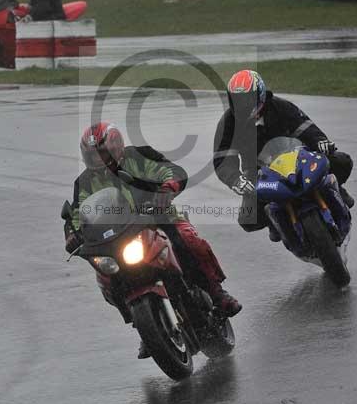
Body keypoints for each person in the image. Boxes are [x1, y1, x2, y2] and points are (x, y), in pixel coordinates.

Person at [64, 122, 242, 357]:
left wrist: (167, 189)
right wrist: (72, 234)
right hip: (117, 236)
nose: (98, 160)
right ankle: (143, 326)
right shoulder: (84, 182)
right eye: (92, 156)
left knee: (189, 241)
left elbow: (170, 171)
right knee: (105, 274)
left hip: (159, 218)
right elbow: (78, 213)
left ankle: (217, 293)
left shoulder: (139, 156)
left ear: (116, 146)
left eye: (102, 154)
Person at [213, 69, 354, 237]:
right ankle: (276, 222)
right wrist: (235, 179)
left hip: (297, 159)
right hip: (259, 173)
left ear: (261, 94)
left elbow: (306, 127)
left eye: (247, 99)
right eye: (237, 100)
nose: (243, 104)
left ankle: (336, 190)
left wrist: (321, 141)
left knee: (341, 161)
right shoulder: (228, 122)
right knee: (248, 220)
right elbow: (222, 159)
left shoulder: (280, 106)